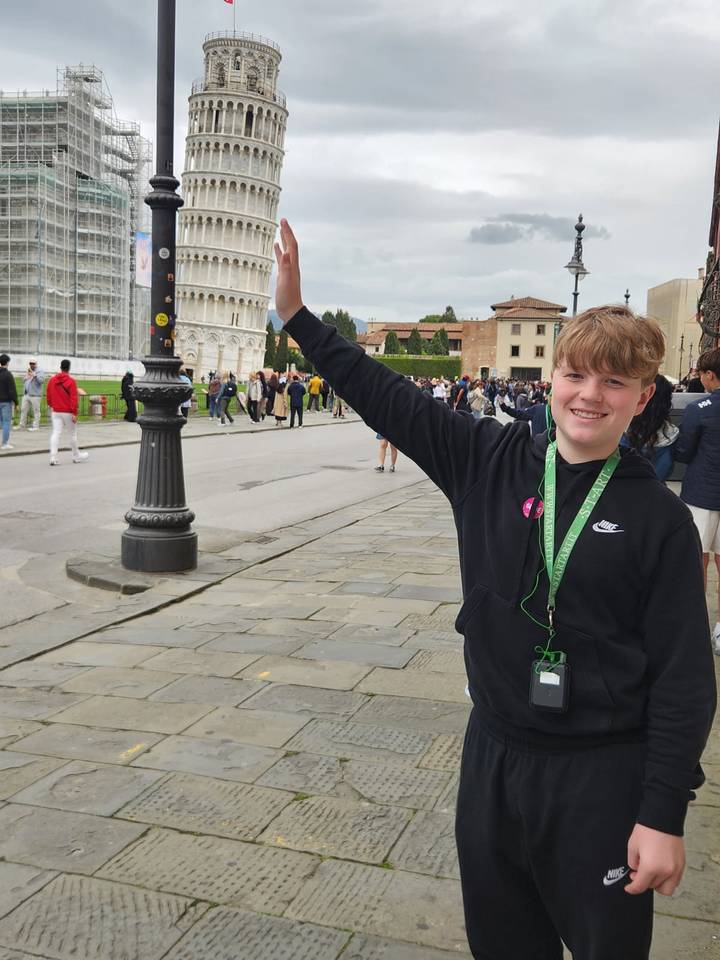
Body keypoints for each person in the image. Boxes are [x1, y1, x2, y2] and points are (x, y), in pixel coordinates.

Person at [274, 220, 716, 960]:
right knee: (504, 943)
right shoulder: (487, 458)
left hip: (601, 774)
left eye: (615, 382)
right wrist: (296, 318)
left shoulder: (659, 520)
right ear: (552, 378)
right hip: (496, 754)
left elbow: (684, 679)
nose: (590, 396)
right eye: (578, 375)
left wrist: (662, 814)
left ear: (642, 399)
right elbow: (385, 395)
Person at [675, 348, 720, 654]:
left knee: (698, 562)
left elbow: (684, 452)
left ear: (709, 375)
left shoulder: (699, 408)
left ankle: (698, 629)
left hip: (702, 495)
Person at [622, 375, 678, 482]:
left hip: (621, 488)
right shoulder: (671, 434)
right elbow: (663, 471)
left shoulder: (621, 429)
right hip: (654, 490)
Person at [46, 359, 89, 466]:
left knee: (56, 433)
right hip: (68, 411)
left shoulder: (52, 380)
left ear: (60, 367)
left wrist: (51, 405)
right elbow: (74, 399)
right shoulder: (71, 381)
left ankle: (53, 457)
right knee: (72, 434)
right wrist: (74, 413)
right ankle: (76, 455)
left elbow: (48, 394)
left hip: (56, 411)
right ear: (69, 368)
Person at [18, 359, 44, 431]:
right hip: (26, 394)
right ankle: (22, 425)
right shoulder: (29, 370)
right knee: (23, 410)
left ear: (36, 364)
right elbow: (23, 380)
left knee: (36, 411)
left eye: (33, 363)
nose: (31, 365)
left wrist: (35, 376)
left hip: (35, 395)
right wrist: (26, 377)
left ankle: (36, 426)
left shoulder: (40, 371)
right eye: (30, 363)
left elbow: (41, 381)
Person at [0, 353, 18, 451]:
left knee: (1, 422)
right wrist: (16, 403)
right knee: (6, 422)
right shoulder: (8, 374)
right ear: (7, 363)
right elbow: (12, 390)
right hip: (6, 402)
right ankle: (4, 443)